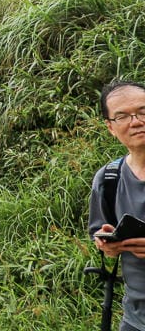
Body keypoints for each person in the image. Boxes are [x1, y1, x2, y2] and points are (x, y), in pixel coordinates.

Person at [89, 80, 145, 331]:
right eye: (122, 116)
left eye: (143, 111)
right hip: (136, 316)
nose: (136, 121)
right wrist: (107, 244)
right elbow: (100, 230)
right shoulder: (108, 179)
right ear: (110, 127)